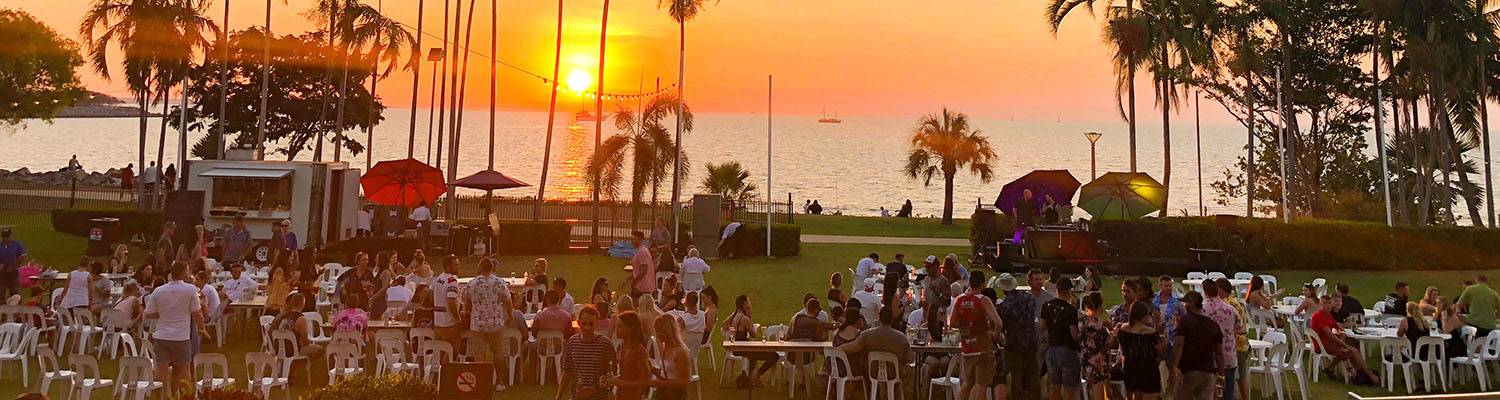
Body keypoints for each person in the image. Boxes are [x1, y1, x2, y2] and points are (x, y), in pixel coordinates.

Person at [144, 261, 202, 393]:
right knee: (184, 368)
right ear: (183, 272)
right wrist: (202, 327)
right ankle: (184, 395)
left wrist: (162, 313)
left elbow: (148, 313)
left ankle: (163, 394)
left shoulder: (159, 290)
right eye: (187, 271)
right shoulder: (190, 289)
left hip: (161, 335)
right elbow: (197, 312)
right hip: (181, 337)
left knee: (162, 369)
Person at [950, 271, 1003, 400]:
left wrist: (966, 328)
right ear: (982, 284)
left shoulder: (960, 299)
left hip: (967, 346)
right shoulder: (983, 300)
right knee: (981, 384)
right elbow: (998, 322)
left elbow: (952, 323)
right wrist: (995, 334)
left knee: (968, 383)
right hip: (982, 347)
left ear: (969, 282)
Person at [1309, 294, 1380, 385]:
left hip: (1329, 343)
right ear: (1320, 305)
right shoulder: (1318, 316)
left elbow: (1339, 328)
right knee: (1353, 351)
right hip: (1322, 345)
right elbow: (1330, 335)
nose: (1328, 305)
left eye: (1329, 303)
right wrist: (1345, 345)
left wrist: (1342, 338)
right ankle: (1371, 377)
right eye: (1325, 303)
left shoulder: (1328, 315)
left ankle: (1335, 369)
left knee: (1351, 348)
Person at [995, 272, 1040, 399]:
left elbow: (1002, 326)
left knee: (1016, 374)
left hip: (1014, 343)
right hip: (1030, 339)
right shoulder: (1029, 298)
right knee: (1033, 373)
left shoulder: (1004, 306)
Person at [1170, 291, 1223, 400]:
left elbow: (1179, 344)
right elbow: (1218, 353)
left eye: (1185, 303)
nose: (1184, 306)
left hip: (1189, 370)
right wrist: (1221, 374)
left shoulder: (1185, 320)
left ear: (1191, 303)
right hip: (1208, 372)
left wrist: (1174, 365)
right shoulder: (1213, 325)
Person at [558, 305, 616, 400]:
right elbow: (567, 371)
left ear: (597, 324)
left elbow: (611, 375)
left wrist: (593, 389)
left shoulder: (605, 345)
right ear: (578, 323)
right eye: (584, 323)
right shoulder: (572, 343)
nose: (587, 327)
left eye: (591, 324)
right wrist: (559, 396)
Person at [1201, 279, 1243, 400]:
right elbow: (1240, 328)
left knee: (1209, 391)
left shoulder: (1202, 310)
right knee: (1228, 390)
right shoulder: (1231, 309)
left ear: (1205, 292)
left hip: (1209, 356)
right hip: (1229, 355)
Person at [1041, 277, 1082, 400]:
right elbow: (1074, 334)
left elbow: (1042, 326)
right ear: (1069, 291)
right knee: (1070, 389)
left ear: (1057, 289)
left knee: (1054, 386)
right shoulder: (1071, 310)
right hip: (1067, 350)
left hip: (1051, 349)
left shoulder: (1046, 305)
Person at [466, 257, 512, 365]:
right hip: (496, 323)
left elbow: (467, 301)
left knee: (479, 353)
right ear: (492, 268)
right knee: (498, 351)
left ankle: (482, 379)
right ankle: (500, 380)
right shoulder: (499, 282)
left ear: (480, 268)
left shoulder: (472, 283)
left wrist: (469, 312)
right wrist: (510, 316)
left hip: (478, 324)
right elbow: (508, 301)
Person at [724, 295, 777, 385]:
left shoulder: (734, 314)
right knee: (774, 355)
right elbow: (753, 334)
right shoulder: (745, 318)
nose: (750, 303)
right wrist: (750, 317)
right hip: (744, 349)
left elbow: (724, 325)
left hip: (735, 348)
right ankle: (756, 376)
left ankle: (752, 375)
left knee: (754, 353)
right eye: (748, 301)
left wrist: (731, 331)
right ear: (744, 304)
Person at [1118, 302, 1164, 400]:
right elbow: (1159, 350)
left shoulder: (1123, 329)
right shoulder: (1150, 333)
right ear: (1144, 315)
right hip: (1148, 368)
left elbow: (1122, 349)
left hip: (1130, 367)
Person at [1217, 278, 1250, 400]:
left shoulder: (1231, 305)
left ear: (1220, 290)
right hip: (1237, 344)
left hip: (1239, 345)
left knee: (1240, 378)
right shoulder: (1233, 301)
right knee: (1236, 378)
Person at [607, 311, 652, 400]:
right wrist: (613, 379)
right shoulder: (623, 346)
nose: (616, 329)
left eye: (620, 326)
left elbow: (646, 381)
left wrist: (621, 383)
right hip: (621, 395)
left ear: (631, 329)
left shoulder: (639, 351)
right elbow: (627, 375)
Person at [650, 314, 694, 400]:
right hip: (663, 393)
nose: (657, 335)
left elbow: (684, 381)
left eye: (659, 332)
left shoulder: (681, 352)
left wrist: (660, 383)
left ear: (667, 332)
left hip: (676, 395)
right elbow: (666, 373)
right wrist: (651, 368)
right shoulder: (665, 347)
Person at [1077, 292, 1111, 400]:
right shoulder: (1099, 325)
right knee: (1098, 392)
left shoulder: (1082, 322)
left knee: (1091, 389)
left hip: (1086, 359)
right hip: (1098, 362)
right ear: (1100, 305)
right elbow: (1107, 344)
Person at [629, 231, 657, 298]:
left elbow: (644, 270)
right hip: (641, 285)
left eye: (634, 239)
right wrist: (628, 278)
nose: (632, 241)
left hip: (643, 286)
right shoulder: (641, 250)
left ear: (640, 240)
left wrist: (634, 281)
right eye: (631, 239)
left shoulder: (642, 252)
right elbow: (638, 269)